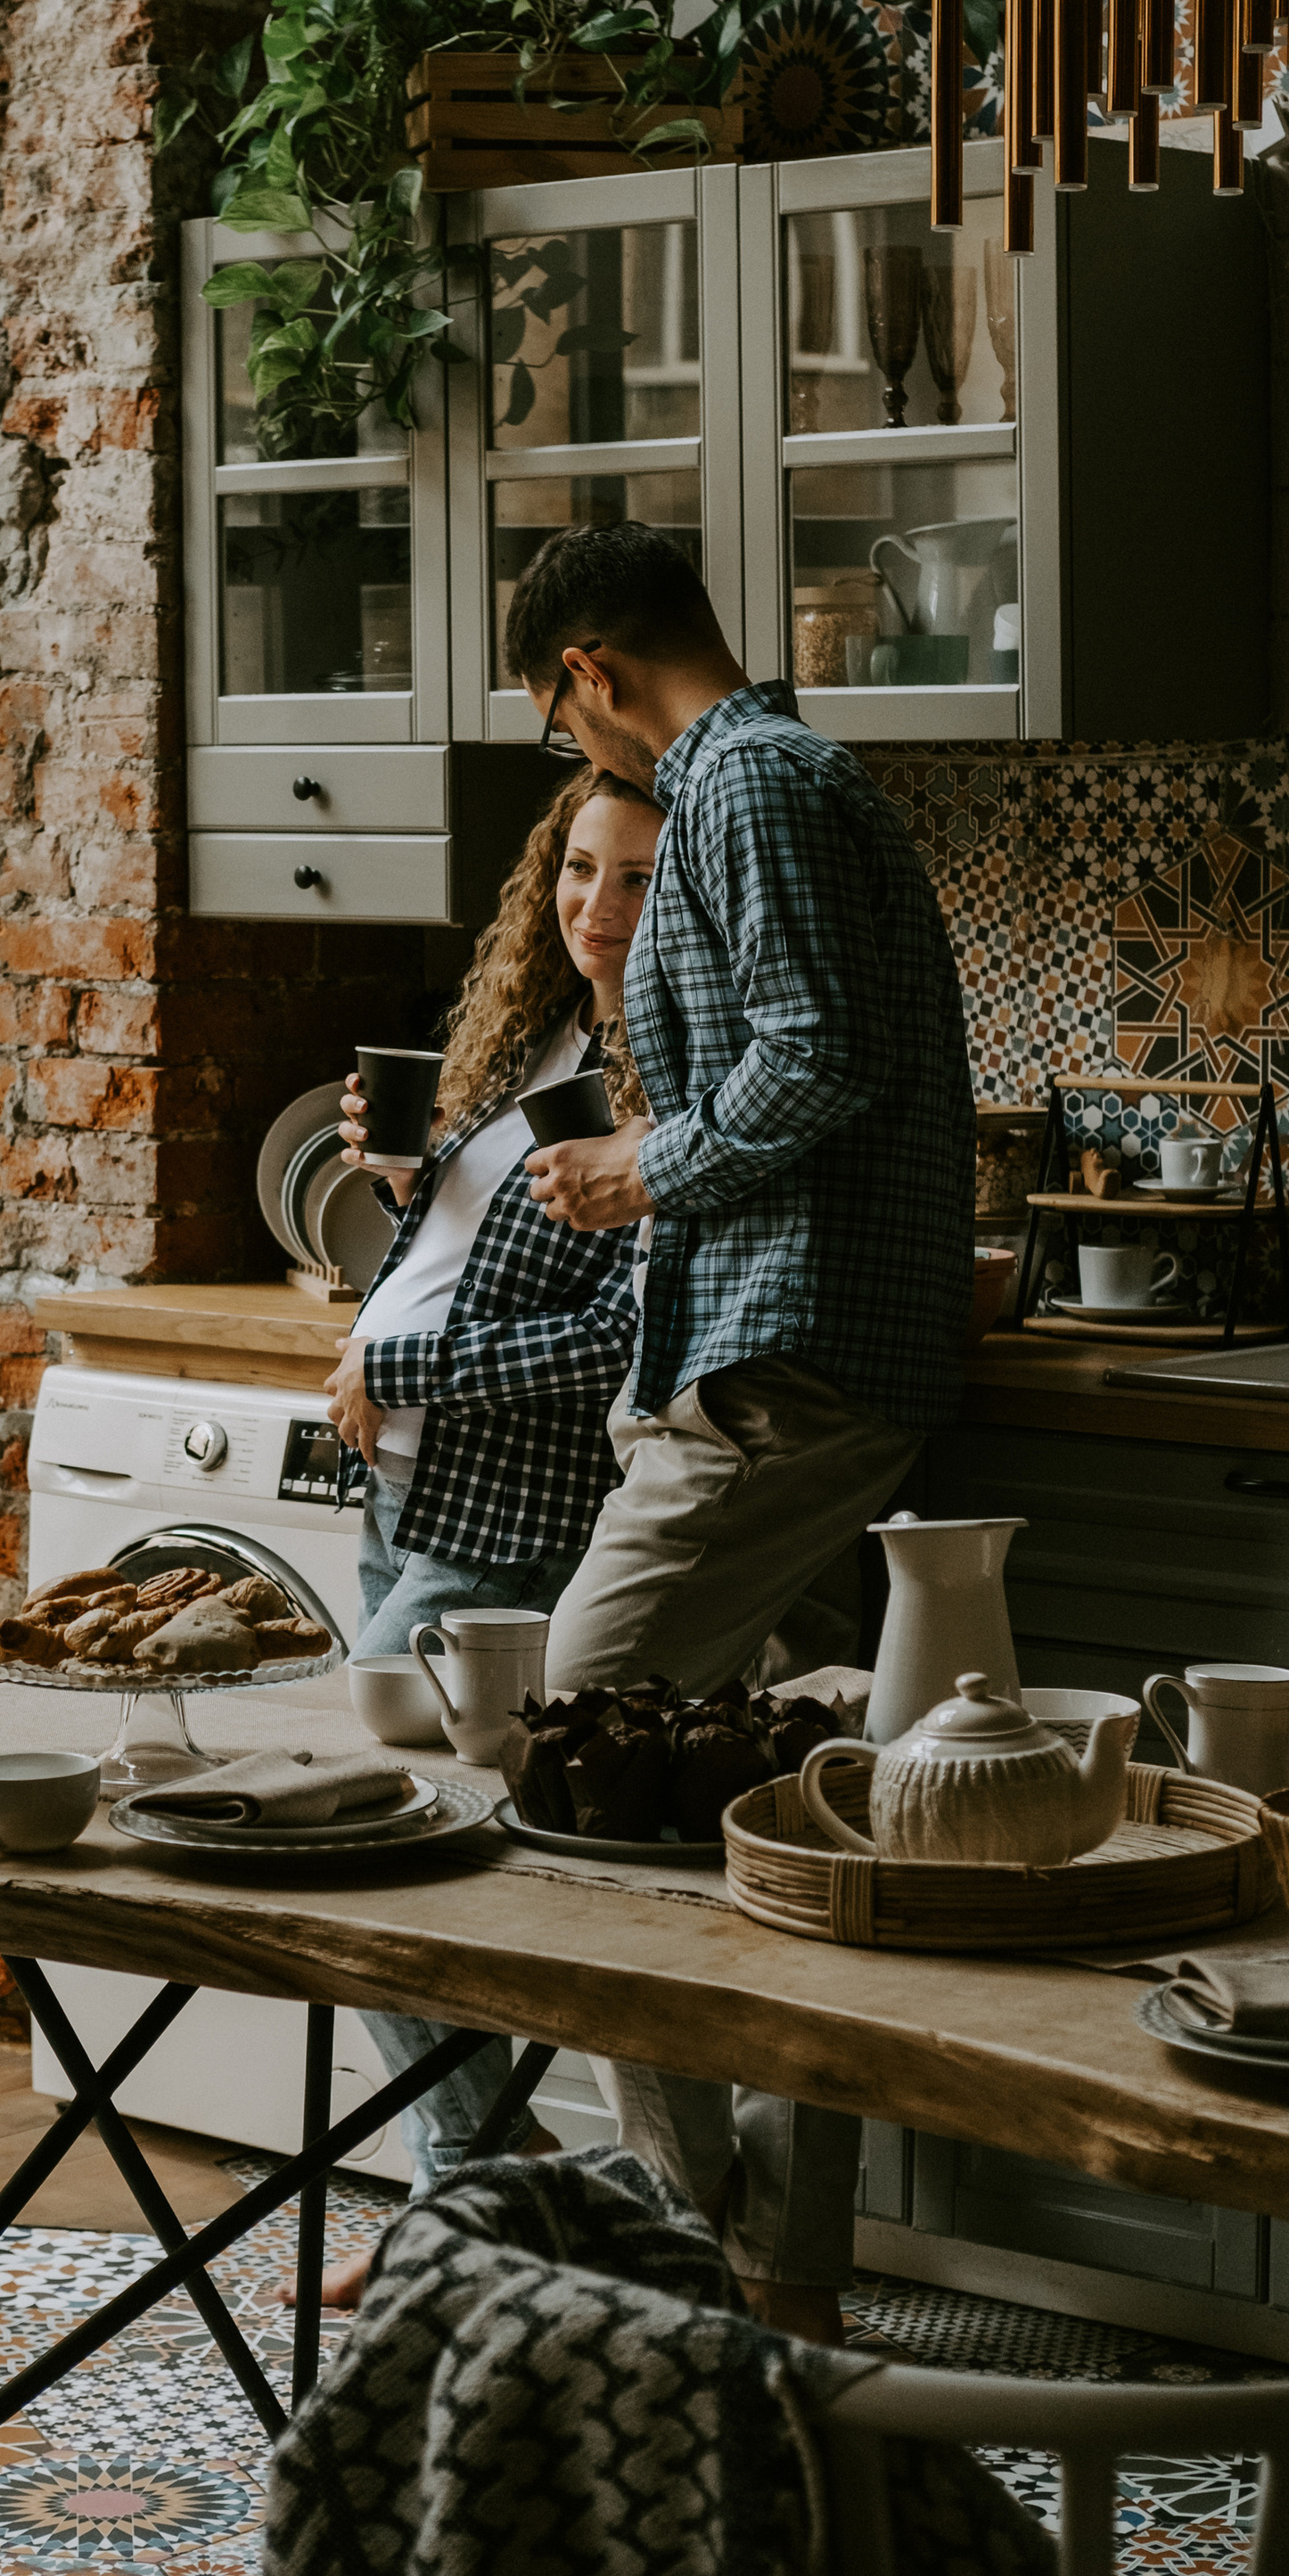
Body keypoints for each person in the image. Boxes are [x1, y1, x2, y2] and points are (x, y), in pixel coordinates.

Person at [507, 519, 974, 2347]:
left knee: (582, 1721)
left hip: (791, 1358)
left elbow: (817, 1053)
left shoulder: (750, 788)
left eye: (558, 716)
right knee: (796, 1825)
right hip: (778, 1347)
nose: (572, 749)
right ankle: (783, 2275)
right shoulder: (757, 781)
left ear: (591, 673)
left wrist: (643, 1165)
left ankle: (684, 2253)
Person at [292, 767, 662, 2308]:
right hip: (406, 1495)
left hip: (509, 1515)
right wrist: (409, 1180)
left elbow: (622, 1336)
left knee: (360, 1832)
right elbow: (477, 1256)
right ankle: (491, 2195)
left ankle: (466, 2196)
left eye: (636, 877)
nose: (595, 904)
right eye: (577, 868)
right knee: (409, 1847)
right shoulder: (541, 1040)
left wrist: (406, 1368)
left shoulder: (669, 1075)